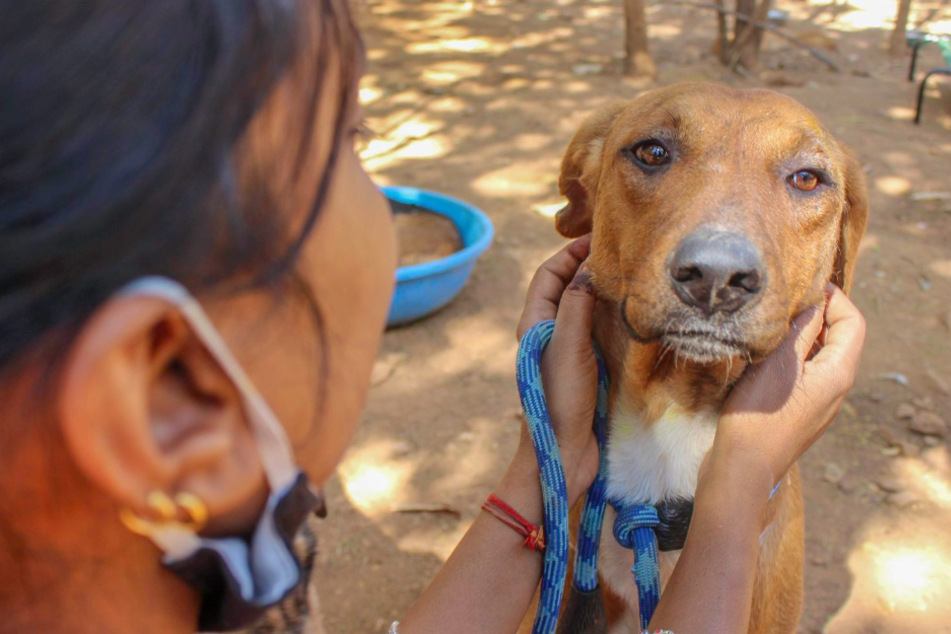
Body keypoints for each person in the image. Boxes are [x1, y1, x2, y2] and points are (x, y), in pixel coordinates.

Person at [0, 1, 865, 633]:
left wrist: (548, 466)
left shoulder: (214, 584)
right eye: (347, 144)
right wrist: (733, 500)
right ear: (170, 396)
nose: (721, 257)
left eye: (803, 181)